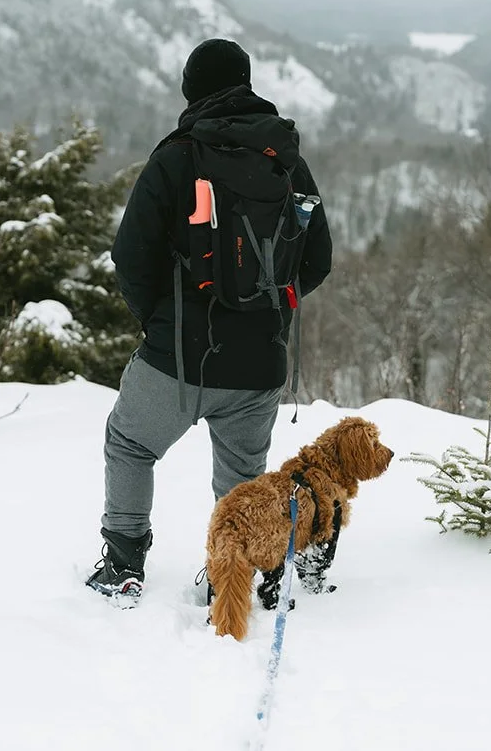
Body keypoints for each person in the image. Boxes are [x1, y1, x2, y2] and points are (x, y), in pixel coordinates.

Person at [86, 37, 333, 603]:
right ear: (246, 83)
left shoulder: (176, 157)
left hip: (176, 357)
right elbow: (317, 260)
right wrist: (271, 311)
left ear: (191, 90)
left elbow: (131, 257)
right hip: (259, 362)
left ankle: (123, 566)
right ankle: (234, 575)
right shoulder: (286, 161)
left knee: (130, 444)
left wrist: (160, 324)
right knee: (243, 478)